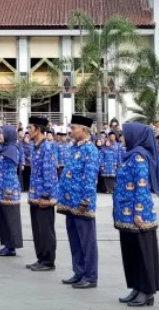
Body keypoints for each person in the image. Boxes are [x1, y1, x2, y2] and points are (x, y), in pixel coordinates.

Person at [115, 122, 159, 306]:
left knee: (143, 253)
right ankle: (136, 287)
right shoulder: (129, 156)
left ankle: (147, 291)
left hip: (137, 216)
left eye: (124, 134)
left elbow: (141, 188)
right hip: (125, 214)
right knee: (131, 253)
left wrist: (138, 213)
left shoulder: (139, 157)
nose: (121, 137)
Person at [58, 114, 99, 290]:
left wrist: (86, 200)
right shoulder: (73, 148)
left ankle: (90, 276)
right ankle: (79, 272)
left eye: (73, 128)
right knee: (74, 240)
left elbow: (90, 178)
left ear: (84, 130)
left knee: (87, 241)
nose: (71, 131)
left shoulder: (90, 150)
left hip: (82, 203)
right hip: (69, 202)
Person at [26, 116, 58, 272]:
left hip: (44, 197)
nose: (28, 131)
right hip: (34, 195)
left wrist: (46, 195)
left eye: (30, 128)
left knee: (46, 230)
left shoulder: (48, 147)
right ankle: (40, 257)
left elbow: (50, 173)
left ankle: (48, 261)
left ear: (38, 129)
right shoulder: (34, 146)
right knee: (37, 229)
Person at [0, 125, 24, 257]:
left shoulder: (11, 149)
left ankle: (11, 246)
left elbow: (11, 172)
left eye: (2, 133)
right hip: (1, 187)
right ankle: (6, 244)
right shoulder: (5, 148)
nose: (0, 135)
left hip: (8, 189)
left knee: (10, 219)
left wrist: (9, 190)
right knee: (4, 219)